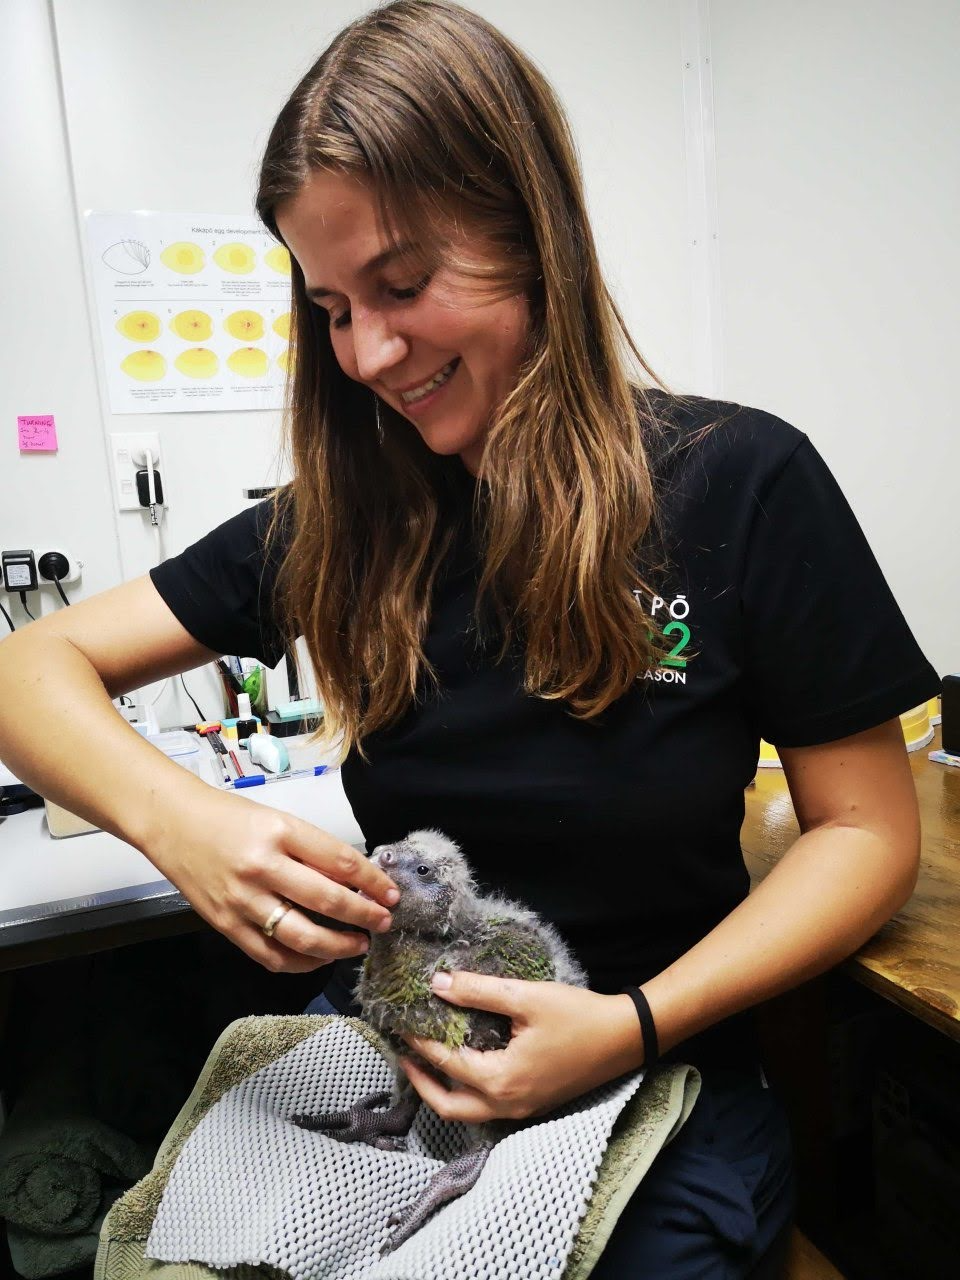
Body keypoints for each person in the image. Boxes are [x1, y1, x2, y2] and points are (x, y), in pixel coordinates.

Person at [0, 1, 939, 1274]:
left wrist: (635, 1021)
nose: (370, 351)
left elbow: (870, 831)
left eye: (403, 283)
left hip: (662, 1071)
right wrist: (188, 826)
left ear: (532, 232)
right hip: (405, 1064)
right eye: (331, 305)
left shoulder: (742, 485)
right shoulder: (338, 526)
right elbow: (24, 667)